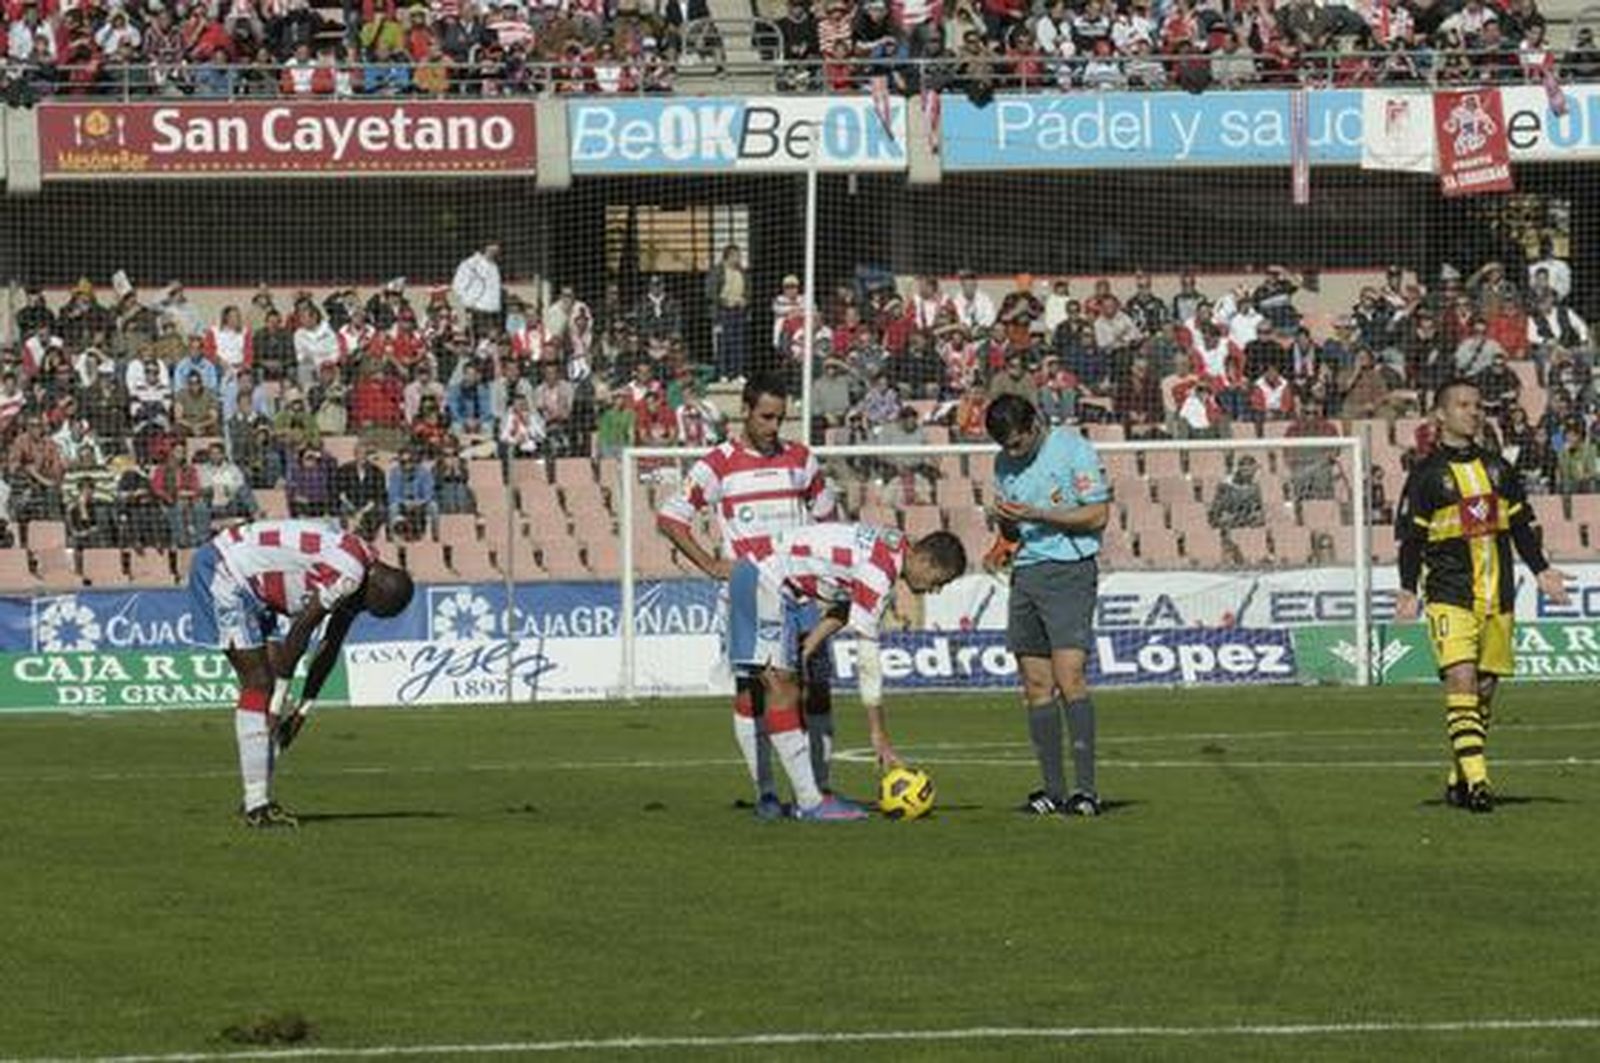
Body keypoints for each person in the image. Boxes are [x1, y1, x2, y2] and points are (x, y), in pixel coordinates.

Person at [656, 374, 840, 819]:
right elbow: (670, 517)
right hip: (751, 594)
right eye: (766, 416)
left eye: (781, 417)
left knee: (816, 691)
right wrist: (711, 564)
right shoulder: (718, 463)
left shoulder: (801, 459)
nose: (775, 426)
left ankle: (817, 790)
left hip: (801, 593)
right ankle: (769, 793)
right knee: (755, 692)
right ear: (744, 409)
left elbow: (827, 520)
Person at [1394, 381, 1571, 813]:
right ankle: (1478, 782)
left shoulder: (1498, 469)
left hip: (1498, 596)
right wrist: (1407, 588)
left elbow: (1520, 529)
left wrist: (1542, 570)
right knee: (1462, 680)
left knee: (1485, 691)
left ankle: (1458, 777)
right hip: (1449, 594)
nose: (1473, 413)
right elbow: (1412, 541)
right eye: (1463, 405)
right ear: (1441, 415)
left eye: (1477, 406)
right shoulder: (1426, 475)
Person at [727, 522, 967, 820]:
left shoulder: (892, 550)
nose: (935, 590)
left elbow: (845, 605)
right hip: (765, 580)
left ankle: (782, 798)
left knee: (772, 689)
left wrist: (813, 640)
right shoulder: (881, 571)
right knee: (780, 688)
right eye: (937, 580)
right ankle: (808, 801)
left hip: (774, 583)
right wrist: (878, 733)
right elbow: (868, 658)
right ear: (924, 560)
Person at [187, 519, 414, 827]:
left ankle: (257, 801)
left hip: (254, 584)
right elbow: (304, 626)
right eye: (370, 607)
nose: (363, 610)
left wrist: (303, 710)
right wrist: (280, 702)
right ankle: (257, 807)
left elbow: (330, 644)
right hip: (225, 570)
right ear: (375, 589)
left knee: (269, 680)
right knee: (259, 683)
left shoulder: (363, 564)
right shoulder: (349, 575)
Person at [983, 393, 1111, 817]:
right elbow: (1014, 529)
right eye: (1007, 447)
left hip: (1070, 571)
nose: (1013, 453)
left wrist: (1039, 514)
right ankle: (1052, 791)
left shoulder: (1072, 446)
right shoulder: (1003, 464)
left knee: (1069, 676)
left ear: (1035, 424)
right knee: (1035, 685)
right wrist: (1002, 534)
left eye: (1019, 444)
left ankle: (1087, 790)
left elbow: (1097, 515)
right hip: (1028, 574)